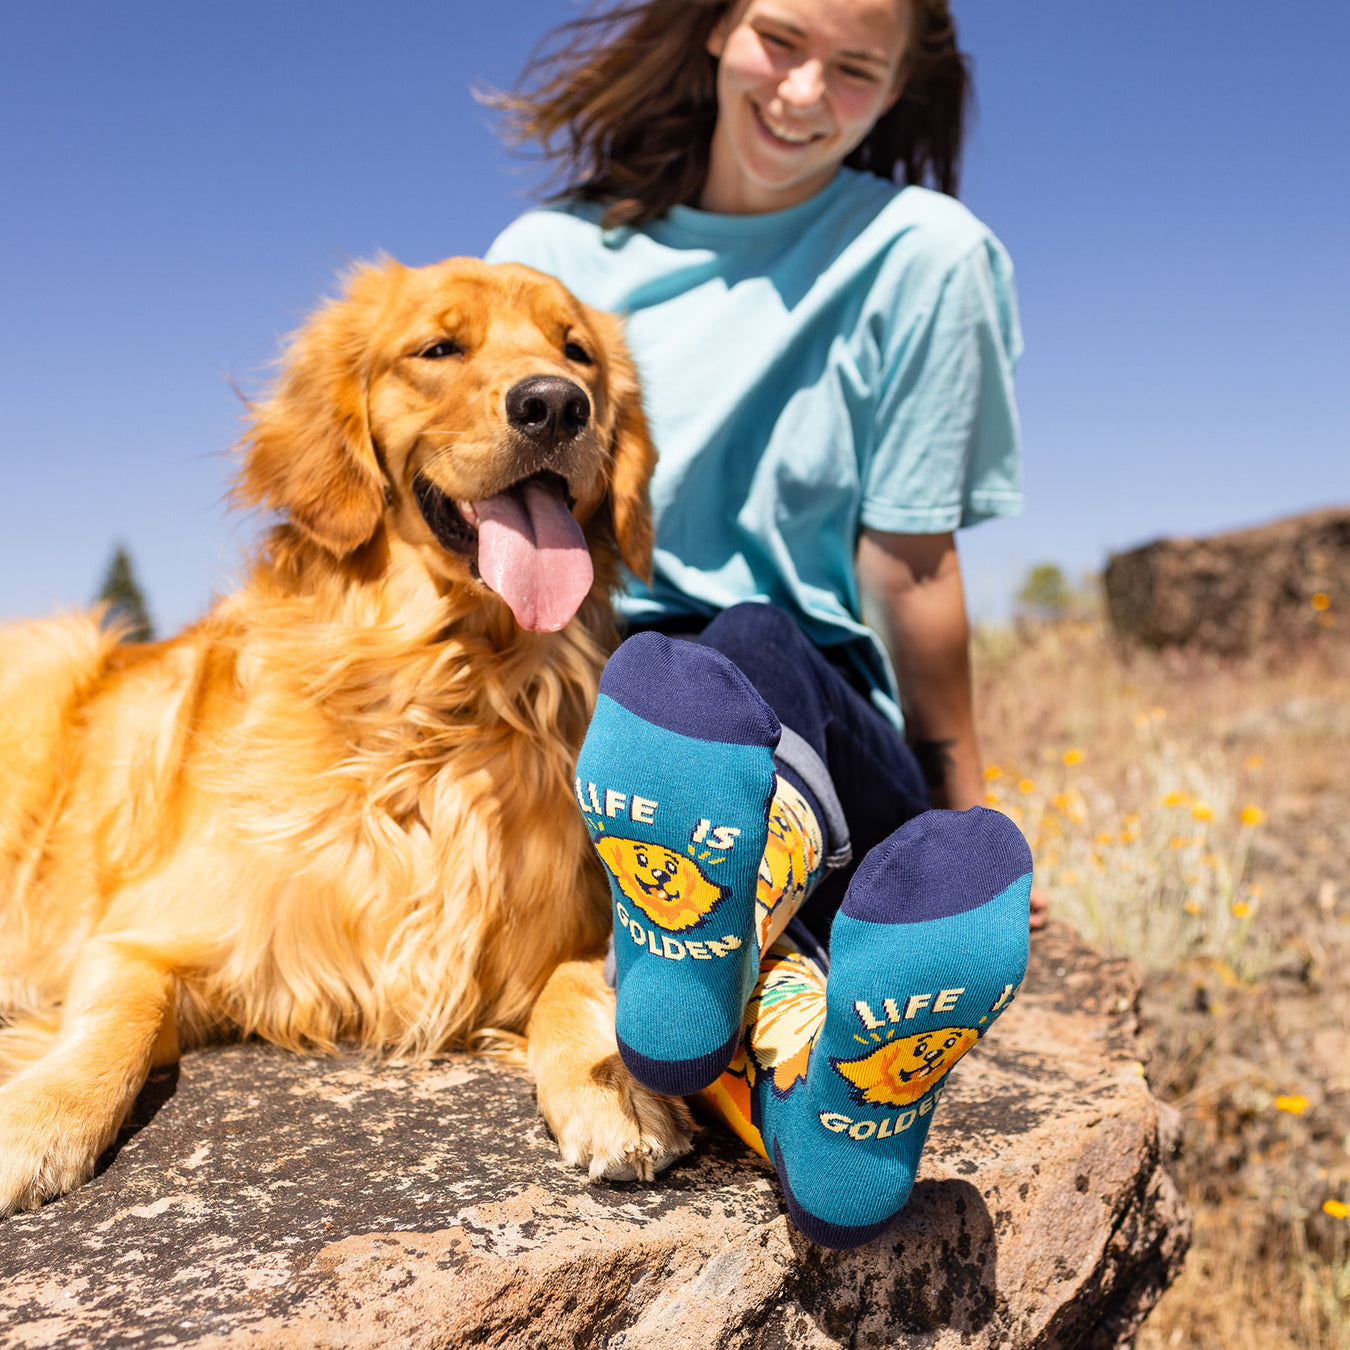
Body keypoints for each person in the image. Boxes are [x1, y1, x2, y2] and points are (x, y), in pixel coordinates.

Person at [487, 0, 1047, 1249]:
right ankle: (811, 1095)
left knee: (742, 646)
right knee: (667, 691)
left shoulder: (923, 253)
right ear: (716, 28)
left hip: (820, 717)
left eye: (854, 70)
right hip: (606, 714)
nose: (803, 93)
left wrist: (962, 798)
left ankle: (726, 887)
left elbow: (908, 559)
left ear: (899, 88)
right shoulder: (554, 256)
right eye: (781, 41)